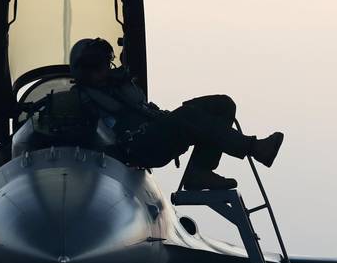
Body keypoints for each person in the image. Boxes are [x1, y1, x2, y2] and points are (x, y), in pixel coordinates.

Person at [69, 37, 284, 190]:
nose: (103, 69)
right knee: (188, 116)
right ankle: (255, 148)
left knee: (222, 105)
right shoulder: (80, 99)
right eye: (95, 66)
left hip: (155, 134)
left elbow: (141, 105)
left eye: (104, 63)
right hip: (136, 148)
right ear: (82, 70)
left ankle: (199, 172)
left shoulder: (119, 85)